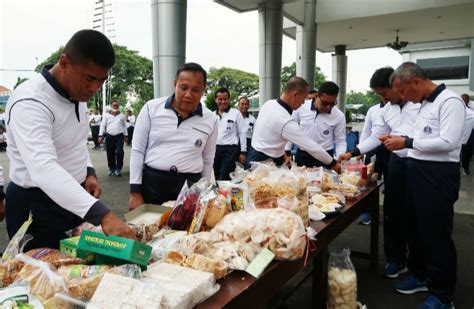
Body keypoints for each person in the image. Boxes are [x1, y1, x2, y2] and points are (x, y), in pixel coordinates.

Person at [4, 29, 135, 250]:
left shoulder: (77, 93)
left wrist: (89, 172)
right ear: (64, 62)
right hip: (37, 205)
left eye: (102, 80)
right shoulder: (31, 102)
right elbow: (44, 168)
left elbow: (75, 143)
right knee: (43, 278)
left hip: (73, 199)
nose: (94, 88)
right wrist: (103, 214)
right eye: (90, 78)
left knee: (76, 272)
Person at [384, 62, 464, 309]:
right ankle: (420, 275)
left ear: (416, 82)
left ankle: (442, 296)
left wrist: (407, 141)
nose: (404, 98)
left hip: (437, 175)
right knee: (415, 229)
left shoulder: (450, 102)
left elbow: (448, 141)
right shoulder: (425, 103)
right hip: (416, 171)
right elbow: (423, 138)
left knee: (436, 234)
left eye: (405, 92)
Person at [340, 67, 420, 279]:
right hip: (397, 162)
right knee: (392, 212)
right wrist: (354, 152)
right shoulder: (387, 109)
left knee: (415, 215)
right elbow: (377, 136)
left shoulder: (419, 104)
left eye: (384, 93)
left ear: (396, 85)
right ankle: (396, 259)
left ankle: (418, 267)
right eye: (379, 95)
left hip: (420, 164)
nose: (383, 99)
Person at [129, 62, 218, 209]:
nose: (189, 95)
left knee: (184, 231)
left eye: (196, 90)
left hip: (190, 188)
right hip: (153, 185)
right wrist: (135, 192)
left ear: (203, 91)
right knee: (147, 230)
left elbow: (208, 161)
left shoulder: (211, 120)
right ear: (175, 84)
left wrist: (204, 192)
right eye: (184, 88)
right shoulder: (151, 109)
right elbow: (138, 151)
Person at [247, 76, 341, 173]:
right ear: (295, 95)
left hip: (254, 155)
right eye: (304, 98)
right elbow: (310, 146)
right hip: (264, 164)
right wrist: (333, 163)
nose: (304, 102)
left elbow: (269, 137)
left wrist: (283, 154)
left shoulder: (269, 104)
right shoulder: (284, 120)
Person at [286, 81, 346, 167]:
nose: (328, 107)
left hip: (325, 157)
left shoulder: (339, 116)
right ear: (317, 96)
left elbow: (340, 140)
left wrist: (339, 158)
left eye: (332, 103)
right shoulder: (301, 107)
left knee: (325, 180)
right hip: (303, 155)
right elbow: (291, 130)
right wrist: (287, 151)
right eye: (325, 103)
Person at [356, 96, 389, 225]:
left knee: (391, 184)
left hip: (392, 152)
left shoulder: (398, 108)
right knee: (368, 183)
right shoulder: (373, 110)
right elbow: (366, 132)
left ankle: (389, 214)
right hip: (372, 150)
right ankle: (367, 212)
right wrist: (360, 150)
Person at [213, 88, 246, 180]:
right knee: (216, 175)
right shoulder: (212, 115)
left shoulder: (236, 114)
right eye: (220, 99)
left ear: (229, 99)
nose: (223, 102)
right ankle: (219, 193)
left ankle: (224, 193)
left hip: (230, 150)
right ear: (215, 100)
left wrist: (243, 152)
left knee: (224, 176)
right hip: (215, 150)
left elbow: (242, 133)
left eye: (225, 99)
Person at [99, 99, 128, 176]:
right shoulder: (106, 116)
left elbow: (125, 126)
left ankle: (118, 168)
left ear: (118, 106)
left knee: (120, 152)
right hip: (109, 136)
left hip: (119, 136)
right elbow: (102, 125)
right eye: (114, 105)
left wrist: (126, 135)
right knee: (110, 153)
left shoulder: (122, 116)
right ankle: (112, 168)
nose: (115, 106)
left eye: (117, 105)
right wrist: (100, 135)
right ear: (111, 106)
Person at [460, 93, 474, 175]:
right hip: (459, 133)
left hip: (468, 133)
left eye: (464, 100)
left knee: (467, 151)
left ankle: (465, 167)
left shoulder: (471, 112)